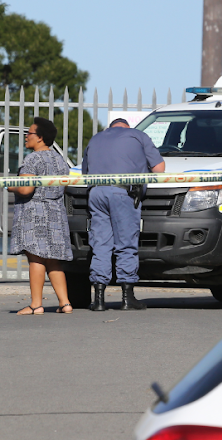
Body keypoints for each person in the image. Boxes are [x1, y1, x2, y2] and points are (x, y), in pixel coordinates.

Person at [81, 119, 165, 311]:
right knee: (126, 243)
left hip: (96, 193)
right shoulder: (138, 135)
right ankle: (128, 298)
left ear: (110, 128)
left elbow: (85, 172)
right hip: (122, 192)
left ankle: (99, 300)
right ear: (126, 127)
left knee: (100, 244)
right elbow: (159, 169)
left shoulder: (95, 139)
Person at [8, 117, 74, 315]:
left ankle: (36, 304)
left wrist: (10, 185)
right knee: (54, 260)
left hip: (35, 213)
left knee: (36, 258)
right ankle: (65, 302)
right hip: (55, 212)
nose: (26, 137)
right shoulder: (59, 159)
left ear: (40, 138)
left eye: (29, 134)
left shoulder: (32, 159)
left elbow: (26, 189)